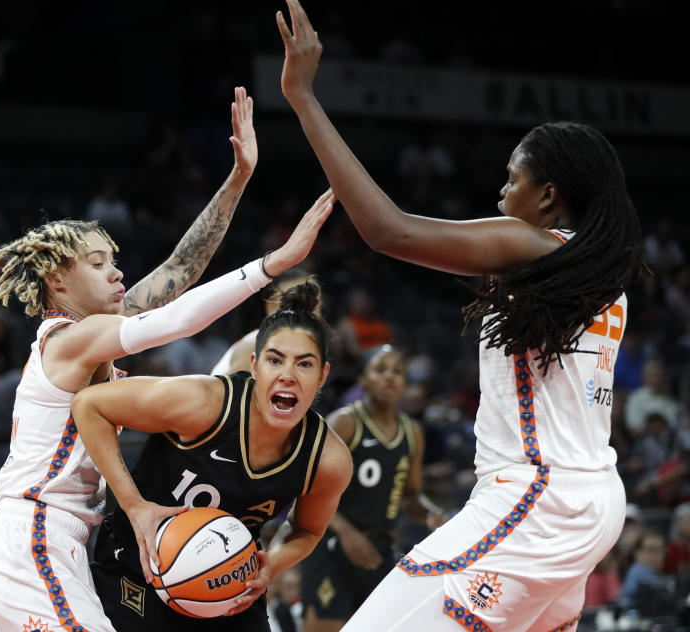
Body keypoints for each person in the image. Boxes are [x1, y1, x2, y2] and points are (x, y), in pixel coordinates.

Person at [276, 1, 646, 629]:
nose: (502, 194)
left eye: (512, 179)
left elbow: (388, 230)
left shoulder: (532, 246)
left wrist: (304, 99)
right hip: (594, 502)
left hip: (532, 498)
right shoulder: (600, 274)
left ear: (548, 195)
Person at [0, 85, 336, 632]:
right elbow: (178, 319)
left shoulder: (94, 333)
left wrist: (237, 180)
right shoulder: (68, 339)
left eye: (115, 261)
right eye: (98, 262)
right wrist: (272, 264)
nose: (117, 273)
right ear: (57, 278)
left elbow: (180, 269)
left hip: (60, 540)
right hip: (34, 536)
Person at [71, 282, 353, 632]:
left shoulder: (327, 460)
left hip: (230, 587)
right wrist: (133, 504)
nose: (287, 375)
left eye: (305, 364)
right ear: (255, 365)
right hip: (140, 566)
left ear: (323, 375)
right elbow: (90, 404)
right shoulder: (204, 403)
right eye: (275, 360)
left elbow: (308, 530)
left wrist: (273, 563)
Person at [299, 346, 444, 632]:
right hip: (331, 542)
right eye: (381, 370)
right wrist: (348, 533)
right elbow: (306, 490)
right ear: (363, 379)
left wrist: (431, 514)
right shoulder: (346, 421)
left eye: (397, 372)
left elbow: (411, 495)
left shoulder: (413, 432)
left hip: (378, 549)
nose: (390, 377)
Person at [211, 268, 320, 375]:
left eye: (311, 305)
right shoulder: (254, 346)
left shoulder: (310, 352)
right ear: (271, 308)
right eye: (294, 305)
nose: (303, 313)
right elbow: (222, 393)